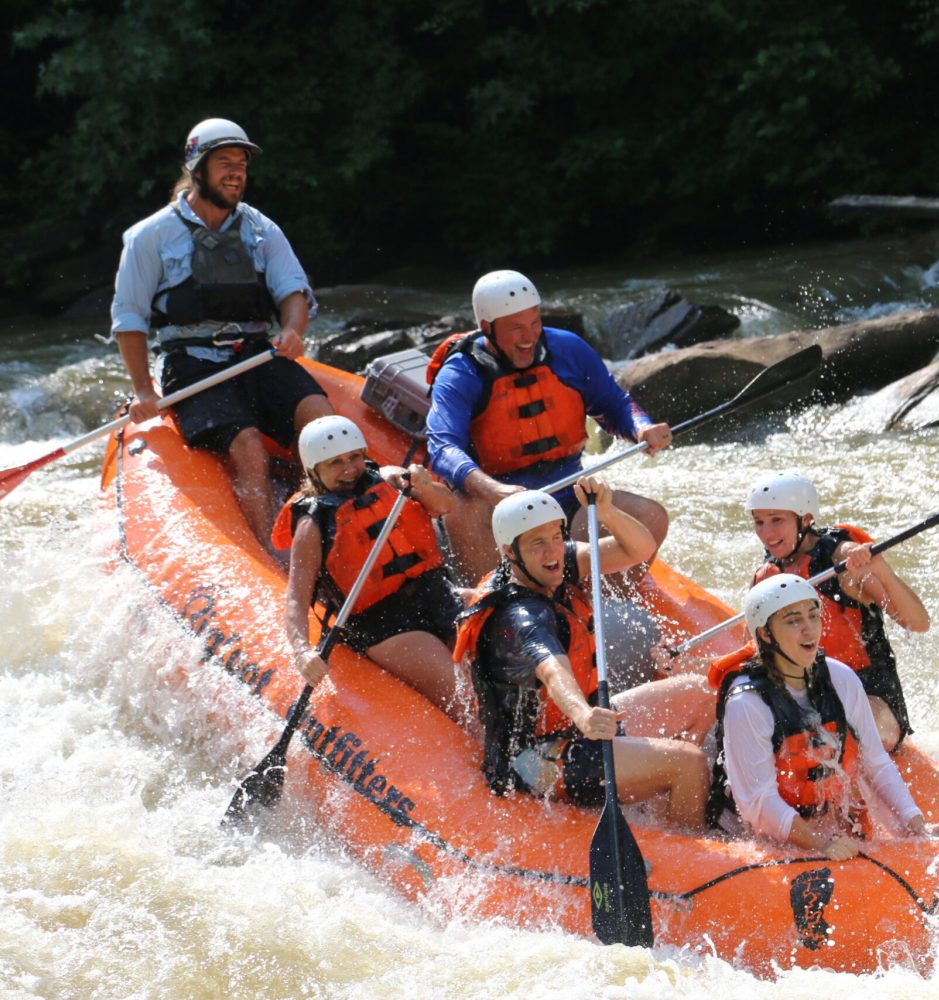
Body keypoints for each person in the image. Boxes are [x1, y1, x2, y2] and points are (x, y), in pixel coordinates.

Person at [110, 117, 334, 547]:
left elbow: (293, 292)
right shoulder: (149, 237)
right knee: (247, 444)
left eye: (242, 165)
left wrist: (291, 329)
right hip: (191, 362)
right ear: (197, 169)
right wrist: (142, 390)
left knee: (321, 420)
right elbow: (130, 320)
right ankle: (271, 552)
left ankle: (331, 526)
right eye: (225, 163)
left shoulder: (260, 228)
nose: (236, 173)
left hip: (256, 353)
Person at [453, 483, 714, 827]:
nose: (552, 552)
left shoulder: (553, 563)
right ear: (510, 551)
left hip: (578, 727)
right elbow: (551, 670)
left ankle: (664, 810)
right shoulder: (519, 615)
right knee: (690, 763)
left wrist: (607, 512)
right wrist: (583, 715)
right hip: (531, 756)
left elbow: (640, 548)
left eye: (555, 537)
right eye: (538, 543)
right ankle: (685, 852)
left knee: (700, 692)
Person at [426, 270, 673, 582]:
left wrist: (641, 427)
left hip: (568, 494)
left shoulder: (568, 349)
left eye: (534, 323)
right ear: (487, 328)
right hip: (496, 507)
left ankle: (598, 607)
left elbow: (614, 403)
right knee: (462, 510)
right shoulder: (462, 372)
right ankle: (490, 610)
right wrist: (494, 491)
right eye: (516, 328)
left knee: (650, 516)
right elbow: (442, 447)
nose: (529, 337)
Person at [706, 575, 928, 858]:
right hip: (759, 837)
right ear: (765, 634)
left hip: (823, 823)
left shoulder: (840, 678)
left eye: (813, 616)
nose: (809, 629)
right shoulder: (747, 703)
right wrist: (822, 845)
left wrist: (914, 822)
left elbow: (876, 761)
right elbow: (758, 805)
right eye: (793, 620)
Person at [275, 415, 468, 721]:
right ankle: (494, 763)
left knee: (491, 669)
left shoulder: (391, 479)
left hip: (435, 594)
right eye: (335, 463)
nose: (350, 469)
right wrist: (302, 652)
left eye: (354, 457)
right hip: (385, 623)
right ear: (315, 471)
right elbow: (296, 599)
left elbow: (447, 506)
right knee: (463, 696)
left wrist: (425, 486)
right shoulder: (313, 524)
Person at [745, 473, 929, 751]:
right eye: (759, 522)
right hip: (807, 694)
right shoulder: (767, 573)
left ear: (805, 519)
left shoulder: (842, 561)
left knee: (839, 729)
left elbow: (918, 623)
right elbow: (750, 651)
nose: (766, 534)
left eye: (776, 520)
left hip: (868, 697)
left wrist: (878, 567)